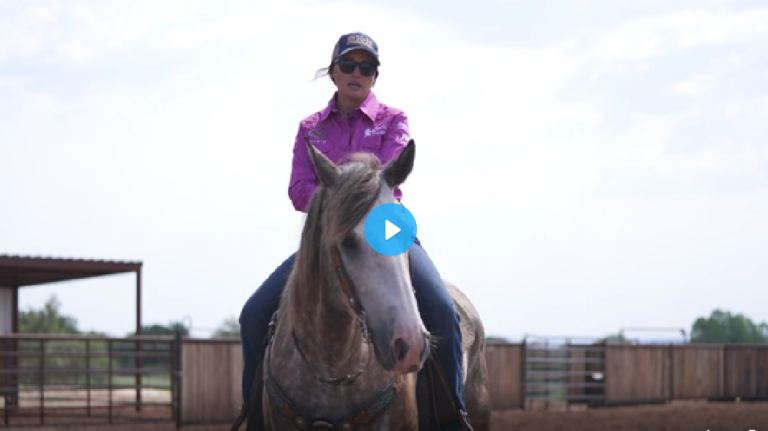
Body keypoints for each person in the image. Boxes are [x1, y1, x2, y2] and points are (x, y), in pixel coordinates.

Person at [238, 32, 472, 431]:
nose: (356, 73)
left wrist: (343, 196)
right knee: (253, 315)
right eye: (348, 65)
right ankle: (256, 418)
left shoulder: (393, 120)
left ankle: (453, 417)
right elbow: (298, 189)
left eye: (367, 67)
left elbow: (387, 179)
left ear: (374, 77)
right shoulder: (309, 128)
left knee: (442, 308)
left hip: (387, 229)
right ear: (333, 72)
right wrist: (338, 210)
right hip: (330, 238)